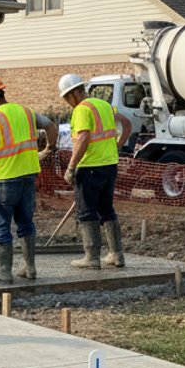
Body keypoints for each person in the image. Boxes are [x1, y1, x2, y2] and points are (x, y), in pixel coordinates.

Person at [0, 75, 57, 283]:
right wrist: (49, 149)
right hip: (28, 177)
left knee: (1, 223)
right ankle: (30, 268)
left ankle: (4, 271)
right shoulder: (26, 112)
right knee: (26, 223)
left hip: (5, 180)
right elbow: (51, 126)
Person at [59, 73, 133, 269]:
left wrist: (71, 166)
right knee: (106, 209)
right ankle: (116, 255)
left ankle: (91, 257)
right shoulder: (104, 105)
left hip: (89, 167)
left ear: (74, 94)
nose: (68, 102)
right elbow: (127, 124)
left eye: (67, 97)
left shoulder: (81, 110)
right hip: (109, 166)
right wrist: (117, 146)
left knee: (86, 212)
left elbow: (83, 138)